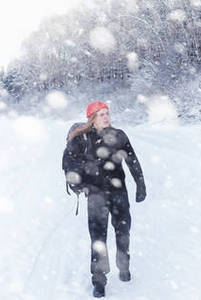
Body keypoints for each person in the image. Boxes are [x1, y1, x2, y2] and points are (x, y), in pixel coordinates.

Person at [62, 101, 147, 298]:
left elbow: (132, 160)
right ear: (91, 118)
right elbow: (70, 165)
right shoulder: (81, 138)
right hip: (96, 194)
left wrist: (140, 184)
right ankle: (99, 281)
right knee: (98, 238)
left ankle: (123, 266)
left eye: (107, 113)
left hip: (119, 192)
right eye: (100, 114)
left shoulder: (119, 135)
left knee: (123, 231)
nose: (105, 117)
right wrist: (78, 185)